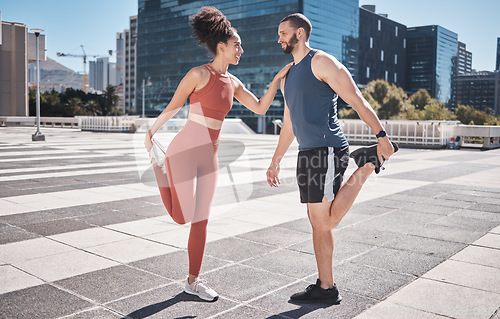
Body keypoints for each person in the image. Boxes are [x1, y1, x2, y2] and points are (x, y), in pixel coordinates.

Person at [144, 6, 291, 302]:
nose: (242, 50)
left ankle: (192, 281)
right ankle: (159, 168)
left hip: (209, 156)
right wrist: (151, 134)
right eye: (237, 45)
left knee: (202, 220)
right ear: (221, 47)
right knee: (181, 216)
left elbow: (260, 107)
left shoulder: (233, 83)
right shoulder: (198, 74)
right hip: (184, 150)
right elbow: (173, 106)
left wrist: (277, 82)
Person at [266, 13, 398, 304]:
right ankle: (326, 287)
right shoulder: (288, 75)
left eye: (283, 33)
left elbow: (357, 99)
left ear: (299, 33)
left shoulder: (321, 62)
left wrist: (381, 135)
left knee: (324, 221)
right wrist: (276, 159)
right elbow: (289, 124)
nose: (279, 39)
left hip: (327, 149)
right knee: (316, 221)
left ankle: (367, 163)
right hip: (307, 152)